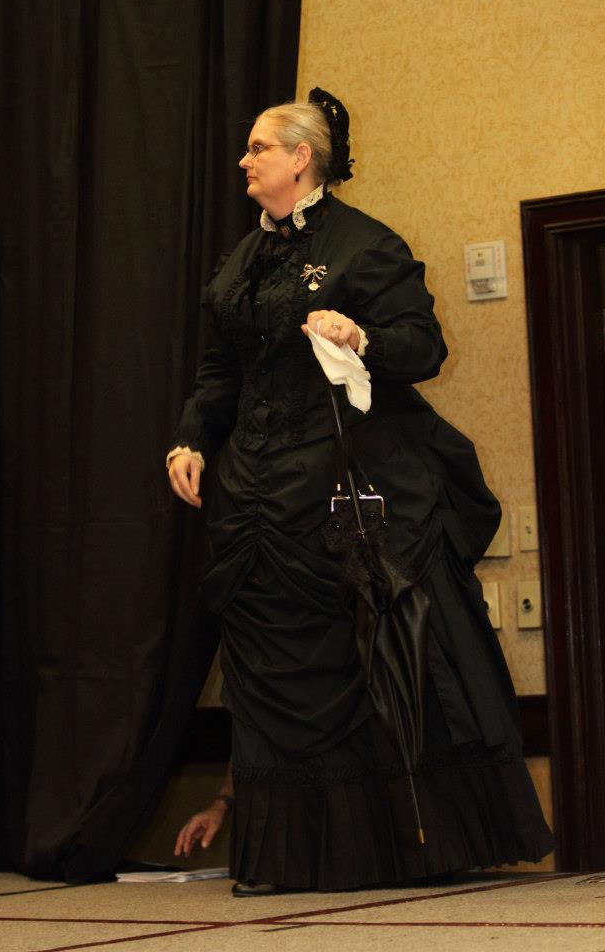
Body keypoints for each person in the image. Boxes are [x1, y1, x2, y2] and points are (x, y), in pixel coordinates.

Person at [168, 88, 554, 895]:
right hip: (254, 500)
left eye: (258, 148)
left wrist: (362, 335)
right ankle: (284, 858)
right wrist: (192, 437)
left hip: (342, 494)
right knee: (266, 663)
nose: (244, 160)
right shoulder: (240, 262)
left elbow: (423, 346)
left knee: (370, 654)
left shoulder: (365, 245)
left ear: (301, 158)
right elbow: (220, 371)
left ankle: (389, 850)